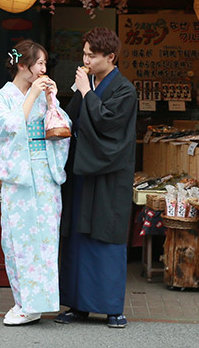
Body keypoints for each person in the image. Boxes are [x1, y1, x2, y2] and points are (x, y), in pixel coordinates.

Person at [56, 27, 138, 329]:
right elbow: (71, 120)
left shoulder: (125, 90)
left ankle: (112, 307)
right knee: (77, 237)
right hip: (81, 173)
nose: (85, 59)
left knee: (106, 237)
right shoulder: (87, 83)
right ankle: (77, 305)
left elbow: (108, 126)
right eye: (85, 53)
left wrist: (88, 93)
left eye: (92, 54)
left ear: (110, 57)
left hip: (108, 176)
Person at [0, 40, 71, 326]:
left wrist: (50, 100)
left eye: (45, 64)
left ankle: (42, 302)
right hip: (18, 175)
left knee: (45, 238)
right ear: (23, 65)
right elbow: (5, 129)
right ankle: (23, 302)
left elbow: (61, 127)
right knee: (16, 239)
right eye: (40, 64)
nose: (44, 70)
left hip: (45, 172)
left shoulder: (44, 92)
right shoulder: (0, 97)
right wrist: (32, 96)